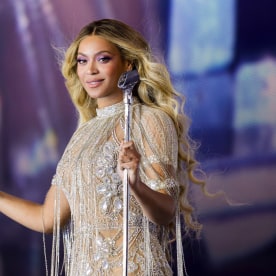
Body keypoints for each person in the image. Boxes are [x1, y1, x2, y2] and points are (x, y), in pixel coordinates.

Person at [0, 18, 206, 276]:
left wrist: (135, 185)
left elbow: (165, 211)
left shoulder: (149, 119)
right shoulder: (83, 134)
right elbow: (49, 218)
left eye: (103, 59)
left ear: (127, 63)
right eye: (83, 61)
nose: (91, 70)